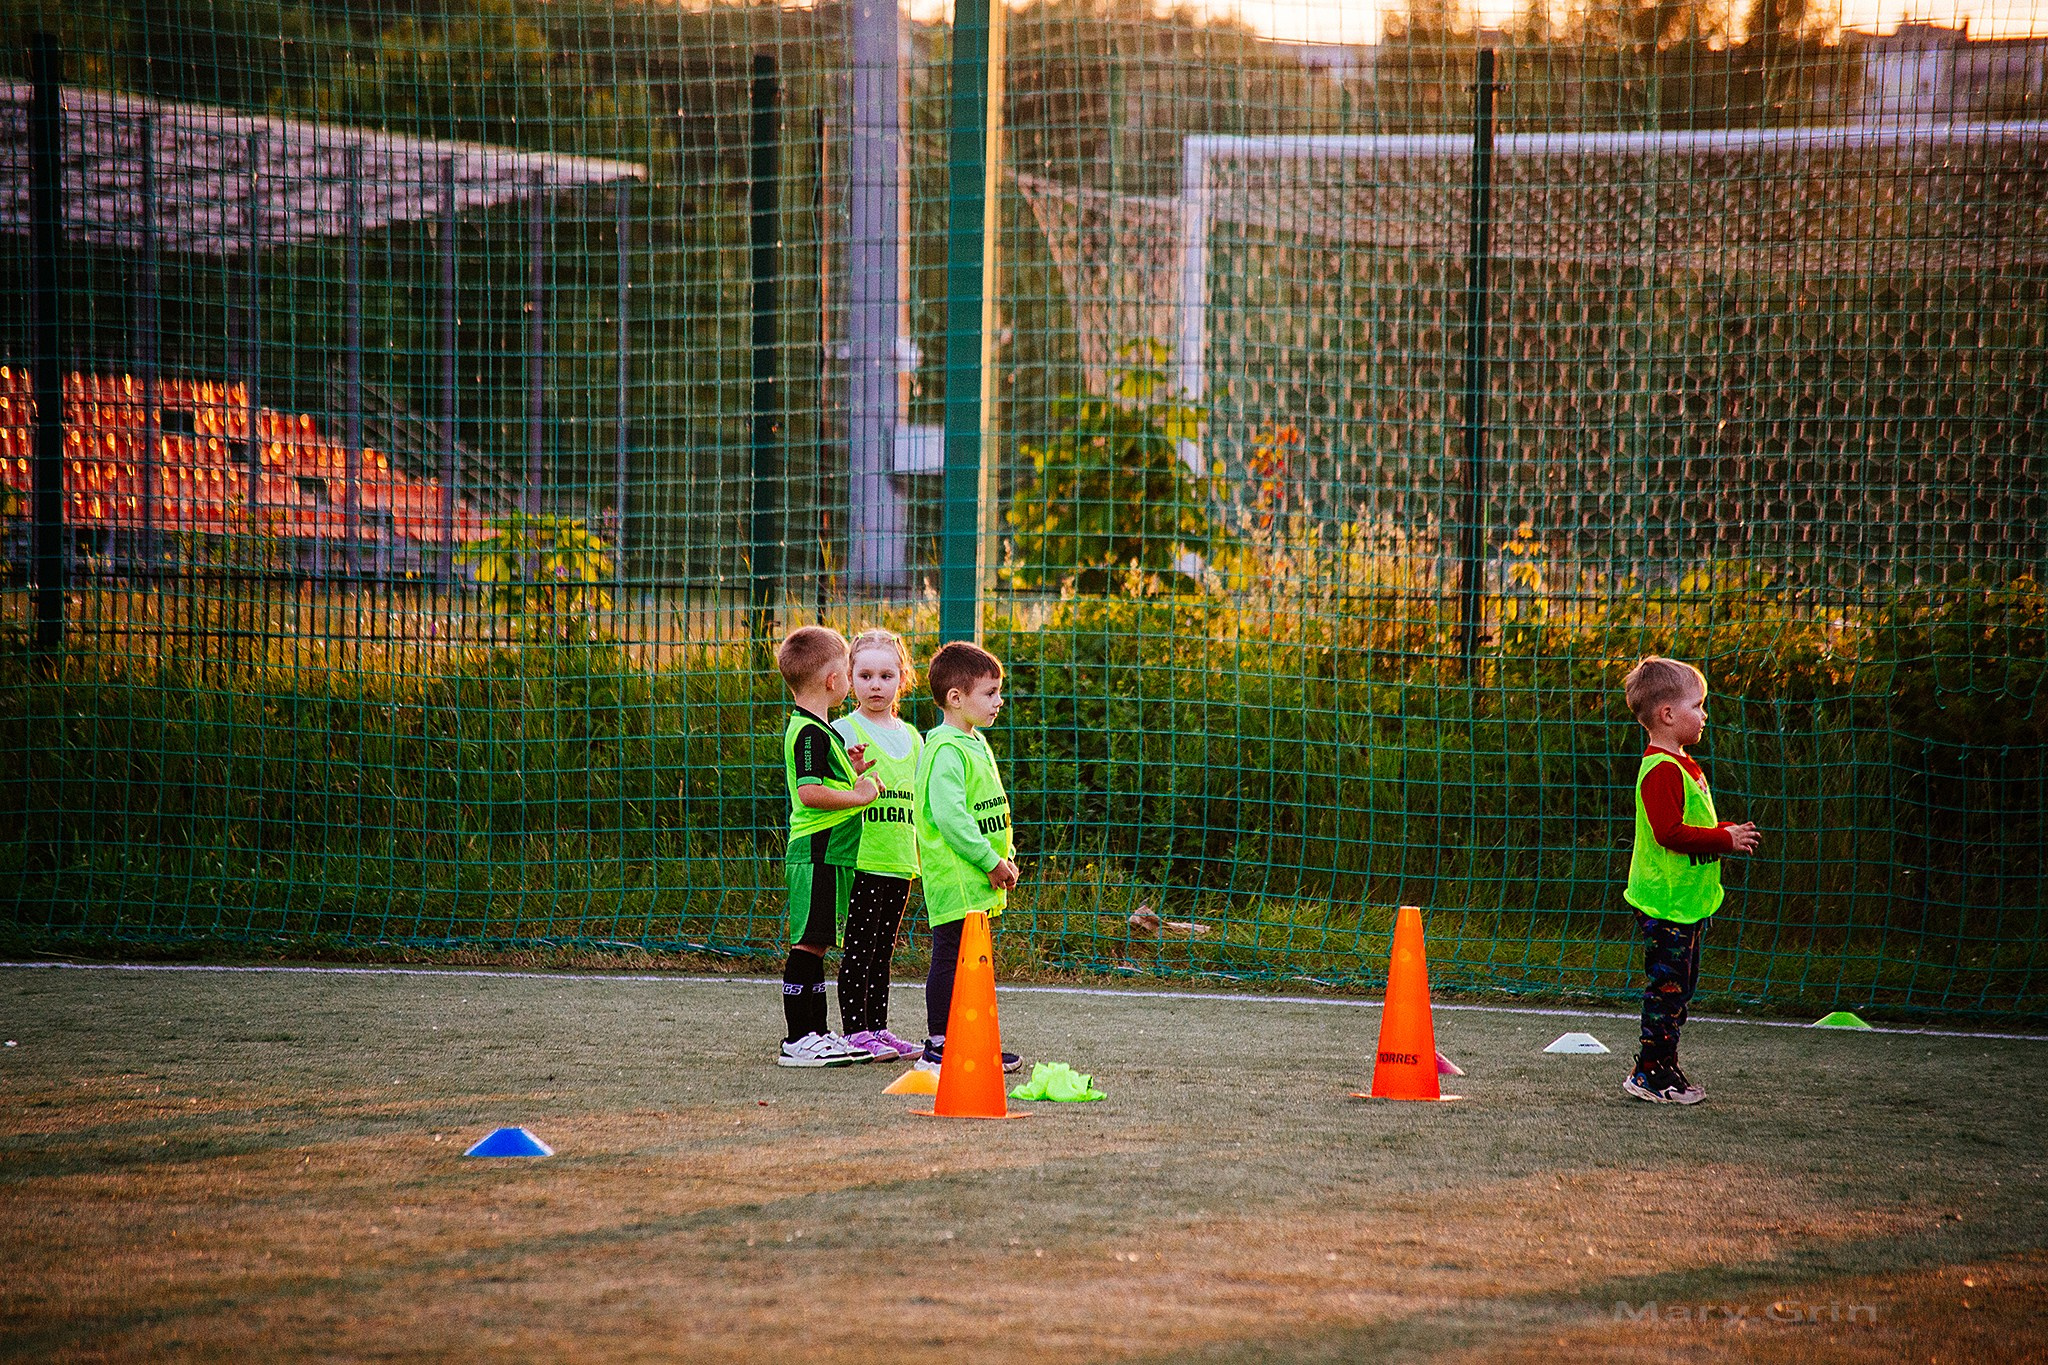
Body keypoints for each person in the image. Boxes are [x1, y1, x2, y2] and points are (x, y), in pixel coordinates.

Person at [1620, 656, 1763, 1104]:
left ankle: (1663, 1067)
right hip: (1667, 906)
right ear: (1667, 714)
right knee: (1666, 994)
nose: (1704, 715)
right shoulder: (1662, 768)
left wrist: (1721, 837)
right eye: (1698, 705)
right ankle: (1650, 1075)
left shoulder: (1683, 764)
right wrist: (1724, 839)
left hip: (1687, 902)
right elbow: (1669, 833)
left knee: (1680, 994)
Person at [913, 640, 1023, 1074]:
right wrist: (990, 861)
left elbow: (990, 807)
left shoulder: (974, 742)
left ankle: (970, 1041)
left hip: (978, 876)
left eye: (999, 692)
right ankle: (939, 1045)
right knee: (950, 956)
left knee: (971, 961)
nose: (999, 701)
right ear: (956, 699)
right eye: (990, 693)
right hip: (957, 878)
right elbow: (952, 819)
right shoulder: (944, 750)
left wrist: (1006, 855)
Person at [774, 625, 881, 1068]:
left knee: (818, 942)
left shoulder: (824, 732)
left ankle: (817, 1033)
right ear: (834, 680)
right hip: (815, 852)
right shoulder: (810, 733)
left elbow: (826, 782)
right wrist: (858, 795)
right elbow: (809, 792)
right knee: (807, 944)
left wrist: (852, 771)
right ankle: (798, 1038)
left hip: (832, 854)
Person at [830, 629, 925, 1061]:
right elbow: (828, 793)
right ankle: (854, 1031)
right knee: (859, 947)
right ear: (849, 677)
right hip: (861, 859)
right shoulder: (840, 731)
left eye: (886, 675)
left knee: (883, 951)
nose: (875, 685)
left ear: (902, 679)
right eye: (865, 675)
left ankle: (878, 1028)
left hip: (900, 861)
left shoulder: (915, 738)